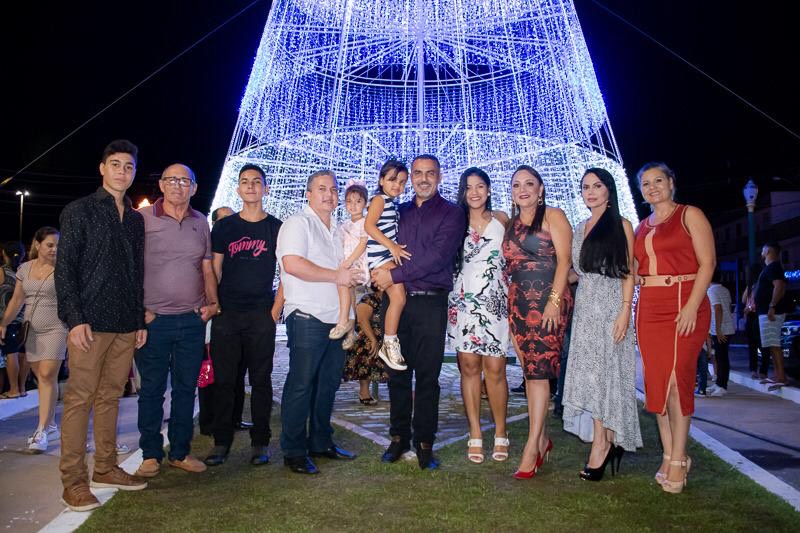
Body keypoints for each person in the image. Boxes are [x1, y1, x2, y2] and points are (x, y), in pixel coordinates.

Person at [55, 139, 149, 511]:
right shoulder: (79, 211)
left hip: (125, 322)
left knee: (111, 397)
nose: (122, 171)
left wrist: (139, 318)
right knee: (79, 400)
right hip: (90, 323)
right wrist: (75, 319)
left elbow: (137, 272)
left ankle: (106, 468)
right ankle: (73, 482)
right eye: (115, 164)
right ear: (102, 168)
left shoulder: (136, 219)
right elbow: (65, 269)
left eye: (129, 166)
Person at [372, 154, 466, 470]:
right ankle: (398, 437)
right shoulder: (398, 210)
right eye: (418, 173)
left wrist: (393, 275)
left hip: (430, 304)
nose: (423, 178)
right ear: (411, 177)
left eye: (430, 173)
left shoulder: (452, 213)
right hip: (397, 303)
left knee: (427, 376)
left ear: (439, 177)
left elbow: (437, 258)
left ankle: (425, 442)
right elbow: (374, 240)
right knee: (396, 373)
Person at [634, 162, 714, 494]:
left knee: (677, 381)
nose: (652, 187)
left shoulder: (689, 215)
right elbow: (632, 269)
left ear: (671, 183)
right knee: (657, 385)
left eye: (658, 180)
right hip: (649, 308)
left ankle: (680, 458)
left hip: (684, 302)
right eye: (646, 183)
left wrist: (692, 306)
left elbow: (708, 263)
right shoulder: (641, 226)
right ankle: (669, 454)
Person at [133, 164, 218, 478]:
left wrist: (213, 303)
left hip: (191, 320)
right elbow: (129, 267)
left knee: (185, 390)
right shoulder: (142, 219)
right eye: (171, 180)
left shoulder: (200, 222)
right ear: (161, 185)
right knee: (152, 390)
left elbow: (206, 266)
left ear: (193, 188)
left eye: (184, 181)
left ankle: (180, 452)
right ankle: (150, 454)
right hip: (153, 321)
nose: (178, 186)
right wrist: (139, 311)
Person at [561, 168, 642, 481]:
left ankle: (602, 444)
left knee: (607, 375)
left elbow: (628, 271)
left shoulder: (621, 225)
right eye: (585, 187)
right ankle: (605, 440)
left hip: (611, 308)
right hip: (585, 310)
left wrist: (624, 311)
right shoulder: (579, 227)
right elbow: (576, 272)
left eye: (597, 186)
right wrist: (548, 287)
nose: (590, 192)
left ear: (609, 190)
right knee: (591, 377)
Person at [277, 169, 359, 474]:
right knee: (301, 384)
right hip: (308, 316)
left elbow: (346, 273)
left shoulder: (338, 230)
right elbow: (292, 264)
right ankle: (294, 450)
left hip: (337, 320)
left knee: (327, 385)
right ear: (308, 194)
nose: (329, 194)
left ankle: (321, 441)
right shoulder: (298, 224)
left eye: (334, 189)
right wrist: (336, 276)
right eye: (322, 189)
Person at [203, 164, 283, 467]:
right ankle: (221, 441)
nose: (250, 186)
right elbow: (215, 269)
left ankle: (260, 442)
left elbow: (286, 271)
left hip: (261, 315)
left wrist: (275, 310)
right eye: (245, 182)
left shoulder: (276, 227)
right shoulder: (225, 227)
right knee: (225, 381)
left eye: (256, 182)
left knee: (261, 380)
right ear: (238, 189)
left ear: (265, 188)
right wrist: (215, 304)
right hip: (228, 315)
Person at [502, 165, 573, 479]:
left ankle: (532, 447)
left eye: (529, 184)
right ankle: (542, 438)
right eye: (516, 185)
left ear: (540, 189)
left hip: (548, 301)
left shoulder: (553, 215)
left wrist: (554, 302)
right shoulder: (510, 223)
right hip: (518, 302)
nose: (523, 190)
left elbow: (565, 261)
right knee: (530, 374)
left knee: (540, 373)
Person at [447, 167, 510, 463]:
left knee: (496, 369)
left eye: (480, 186)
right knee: (469, 367)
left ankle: (500, 432)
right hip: (463, 302)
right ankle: (475, 432)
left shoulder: (502, 219)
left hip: (495, 302)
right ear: (463, 192)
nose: (474, 192)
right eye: (469, 187)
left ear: (488, 189)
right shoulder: (454, 222)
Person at [0, 227, 67, 452]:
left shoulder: (63, 269)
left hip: (57, 327)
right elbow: (17, 300)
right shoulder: (24, 269)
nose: (54, 249)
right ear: (37, 245)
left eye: (57, 245)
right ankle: (51, 423)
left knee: (47, 375)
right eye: (50, 245)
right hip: (31, 330)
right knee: (43, 377)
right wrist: (4, 323)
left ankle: (41, 431)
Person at [198, 206, 252, 436]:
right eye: (225, 220)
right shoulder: (208, 251)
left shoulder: (241, 248)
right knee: (211, 373)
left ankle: (235, 418)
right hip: (214, 320)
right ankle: (209, 422)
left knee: (238, 372)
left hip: (239, 319)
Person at [364, 160, 411, 371]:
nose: (397, 185)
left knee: (398, 297)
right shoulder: (379, 199)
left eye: (402, 182)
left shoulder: (392, 204)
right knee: (399, 298)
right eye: (392, 180)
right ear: (381, 180)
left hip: (384, 255)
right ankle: (389, 343)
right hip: (380, 255)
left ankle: (390, 341)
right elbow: (369, 226)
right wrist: (392, 247)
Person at [332, 182, 371, 350]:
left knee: (345, 286)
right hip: (346, 263)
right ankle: (350, 332)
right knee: (350, 297)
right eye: (349, 201)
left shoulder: (366, 222)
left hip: (357, 263)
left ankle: (343, 323)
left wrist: (349, 261)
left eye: (358, 201)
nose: (353, 205)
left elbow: (363, 244)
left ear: (365, 203)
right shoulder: (344, 224)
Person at [755, 242, 790, 391]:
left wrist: (772, 306)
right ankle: (777, 375)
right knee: (771, 344)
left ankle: (781, 377)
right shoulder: (771, 268)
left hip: (771, 312)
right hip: (766, 312)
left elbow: (780, 286)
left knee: (774, 344)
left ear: (768, 251)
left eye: (763, 249)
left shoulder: (773, 267)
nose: (761, 252)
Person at [343, 288, 388, 404]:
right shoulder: (369, 299)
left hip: (386, 336)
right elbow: (362, 320)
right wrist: (373, 339)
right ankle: (364, 392)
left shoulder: (393, 299)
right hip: (367, 336)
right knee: (368, 347)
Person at [0, 241, 29, 399]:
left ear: (4, 253)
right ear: (23, 254)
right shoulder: (27, 270)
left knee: (11, 352)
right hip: (26, 319)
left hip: (7, 319)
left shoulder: (2, 272)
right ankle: (22, 388)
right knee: (24, 352)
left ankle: (13, 389)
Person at [705, 270, 735, 396]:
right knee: (720, 356)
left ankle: (722, 386)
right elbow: (728, 307)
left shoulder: (712, 291)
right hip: (726, 327)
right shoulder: (724, 290)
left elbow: (718, 308)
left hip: (721, 330)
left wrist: (718, 329)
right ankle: (719, 383)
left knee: (721, 358)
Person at [742, 265, 767, 379]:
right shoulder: (750, 286)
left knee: (761, 343)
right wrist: (748, 287)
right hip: (750, 316)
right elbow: (744, 300)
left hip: (757, 314)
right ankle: (753, 369)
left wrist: (750, 308)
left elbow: (758, 301)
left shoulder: (760, 285)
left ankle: (763, 370)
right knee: (752, 344)